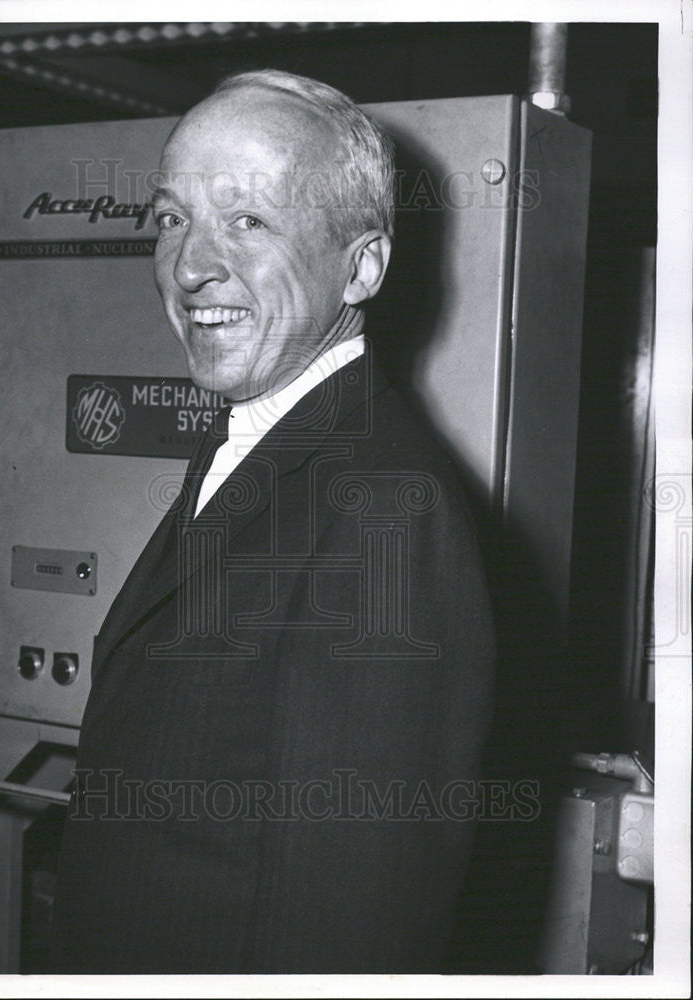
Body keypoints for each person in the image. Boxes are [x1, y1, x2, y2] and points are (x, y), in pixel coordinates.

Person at [52, 69, 495, 974]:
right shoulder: (256, 442)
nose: (189, 267)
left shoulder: (383, 508)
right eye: (172, 218)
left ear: (362, 267)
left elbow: (356, 918)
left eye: (248, 220)